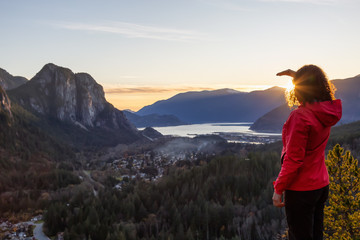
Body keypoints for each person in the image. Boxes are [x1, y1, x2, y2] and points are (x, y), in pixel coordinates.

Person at [272, 65, 342, 240]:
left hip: (301, 190)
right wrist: (297, 76)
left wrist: (278, 188)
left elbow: (294, 159)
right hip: (320, 185)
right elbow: (313, 84)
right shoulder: (326, 111)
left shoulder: (300, 117)